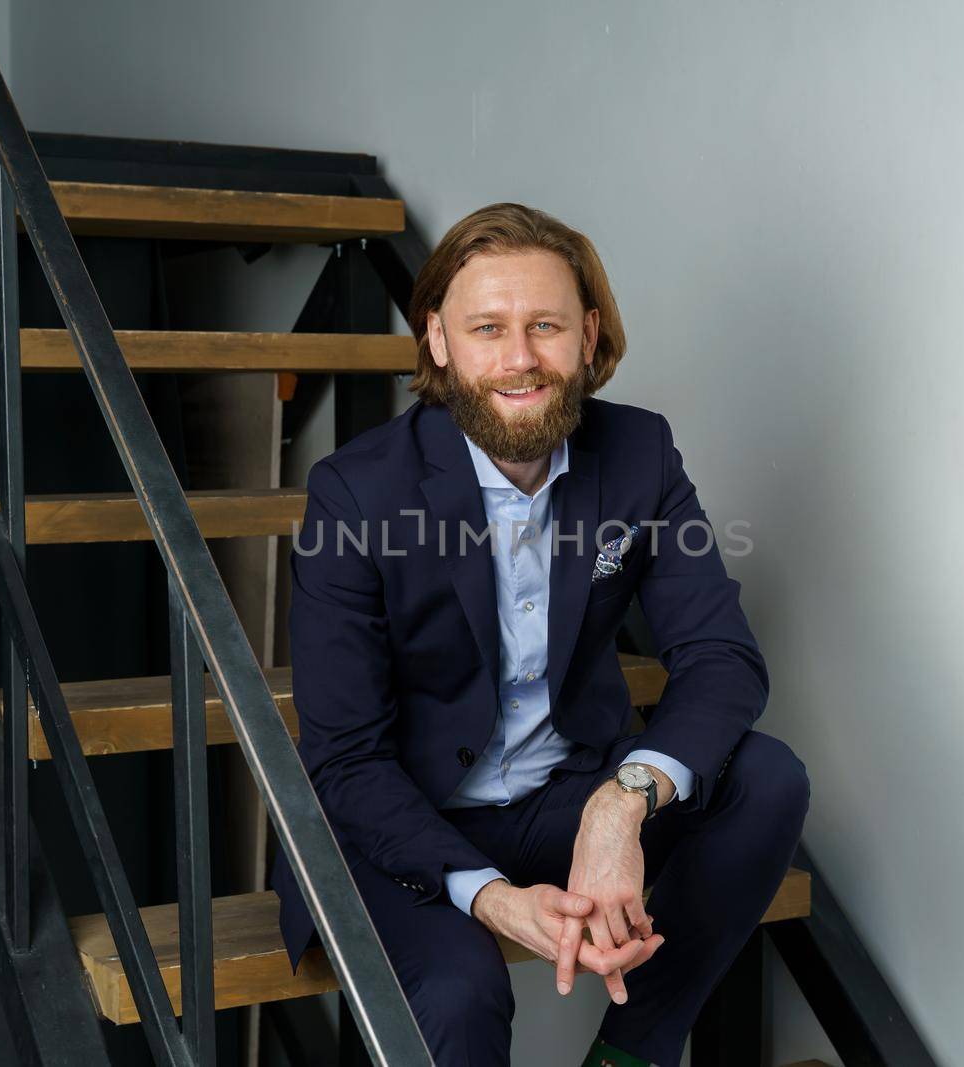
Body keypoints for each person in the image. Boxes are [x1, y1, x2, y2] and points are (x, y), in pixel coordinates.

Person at [269, 202, 810, 1067]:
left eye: (545, 325)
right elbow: (345, 762)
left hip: (559, 796)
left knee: (767, 778)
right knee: (462, 991)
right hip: (395, 824)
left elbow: (722, 659)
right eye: (488, 327)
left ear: (588, 335)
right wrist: (491, 898)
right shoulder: (355, 493)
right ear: (439, 341)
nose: (519, 358)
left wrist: (621, 801)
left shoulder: (639, 453)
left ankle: (628, 1057)